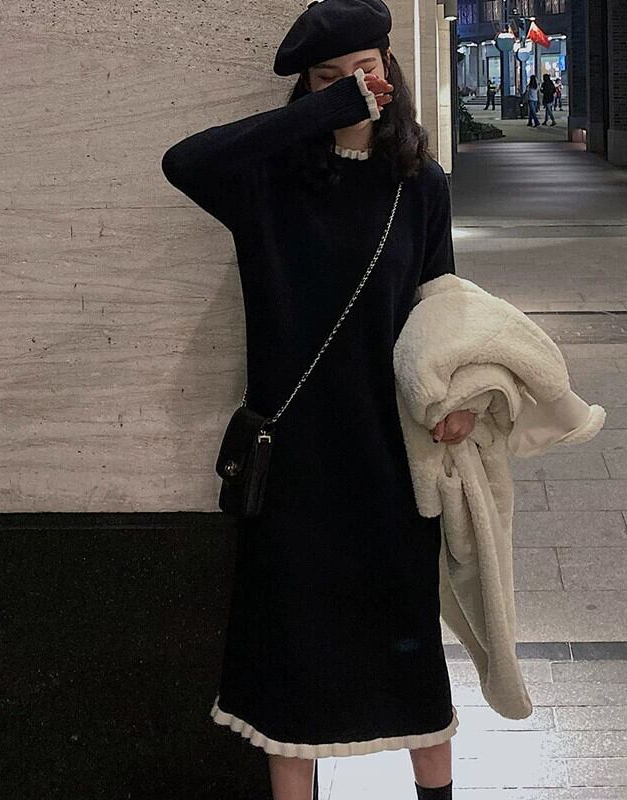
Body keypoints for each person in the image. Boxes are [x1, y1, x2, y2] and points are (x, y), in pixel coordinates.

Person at [160, 2, 476, 799]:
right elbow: (184, 161)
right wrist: (322, 115)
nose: (354, 87)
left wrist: (461, 397)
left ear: (390, 69)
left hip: (389, 454)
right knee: (289, 666)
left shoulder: (420, 184)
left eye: (366, 69)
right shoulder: (267, 182)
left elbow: (443, 305)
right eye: (328, 77)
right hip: (294, 464)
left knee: (409, 659)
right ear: (306, 87)